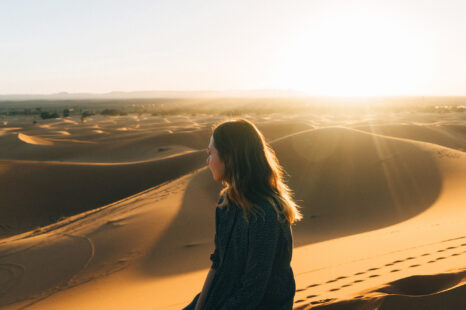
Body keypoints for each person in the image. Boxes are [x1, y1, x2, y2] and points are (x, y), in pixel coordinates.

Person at [183, 118, 302, 310]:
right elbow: (218, 262)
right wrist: (199, 306)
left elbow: (253, 291)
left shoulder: (264, 214)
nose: (208, 160)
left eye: (211, 153)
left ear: (229, 158)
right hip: (226, 292)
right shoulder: (226, 202)